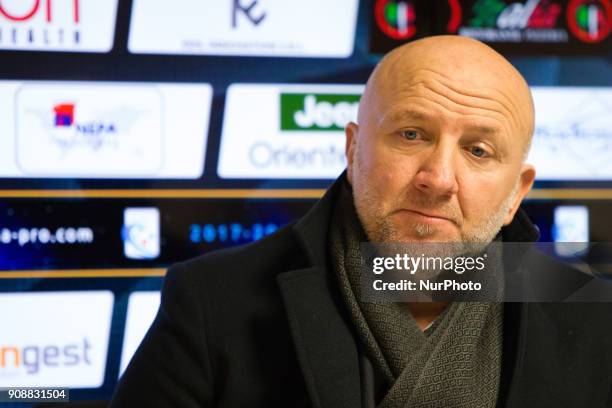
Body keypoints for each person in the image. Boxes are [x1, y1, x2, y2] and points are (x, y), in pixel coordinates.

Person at [111, 36, 612, 407]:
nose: (438, 179)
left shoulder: (592, 314)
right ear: (353, 149)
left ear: (516, 193)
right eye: (412, 134)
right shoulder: (211, 302)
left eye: (478, 151)